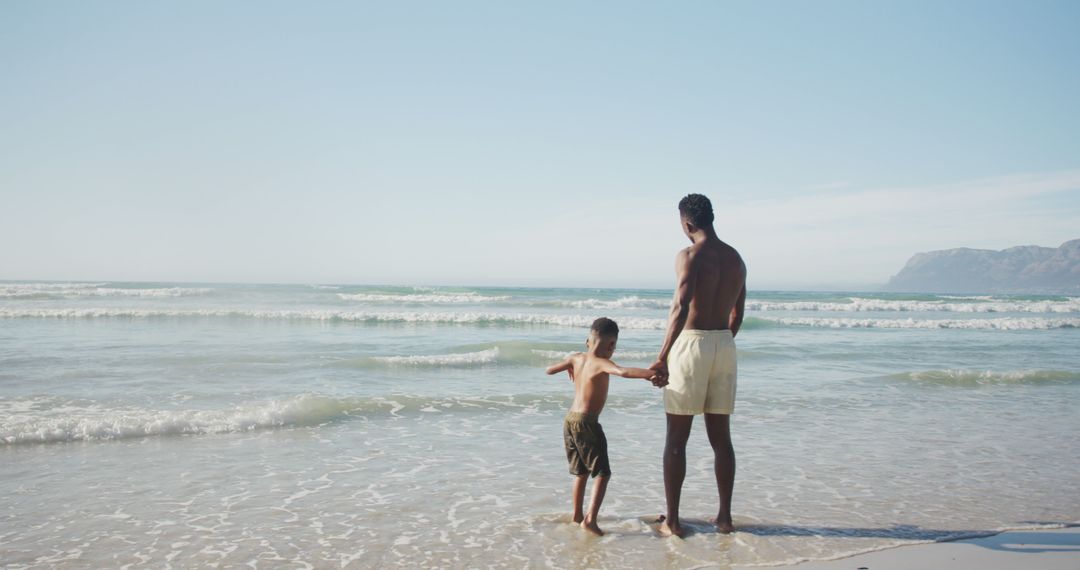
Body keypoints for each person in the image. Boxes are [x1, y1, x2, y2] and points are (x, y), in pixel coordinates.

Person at [650, 193, 747, 538]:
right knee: (721, 439)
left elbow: (680, 306)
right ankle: (724, 518)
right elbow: (738, 313)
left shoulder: (689, 255)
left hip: (691, 344)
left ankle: (673, 522)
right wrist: (722, 341)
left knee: (677, 438)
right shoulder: (736, 258)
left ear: (687, 223)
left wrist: (662, 356)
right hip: (724, 344)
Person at [546, 317, 667, 536]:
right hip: (587, 422)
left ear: (587, 341)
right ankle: (590, 520)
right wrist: (651, 374)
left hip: (570, 420)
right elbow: (623, 372)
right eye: (612, 345)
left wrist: (568, 366)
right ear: (611, 345)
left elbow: (549, 370)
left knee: (581, 472)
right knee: (602, 473)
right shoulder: (602, 363)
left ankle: (576, 515)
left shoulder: (576, 358)